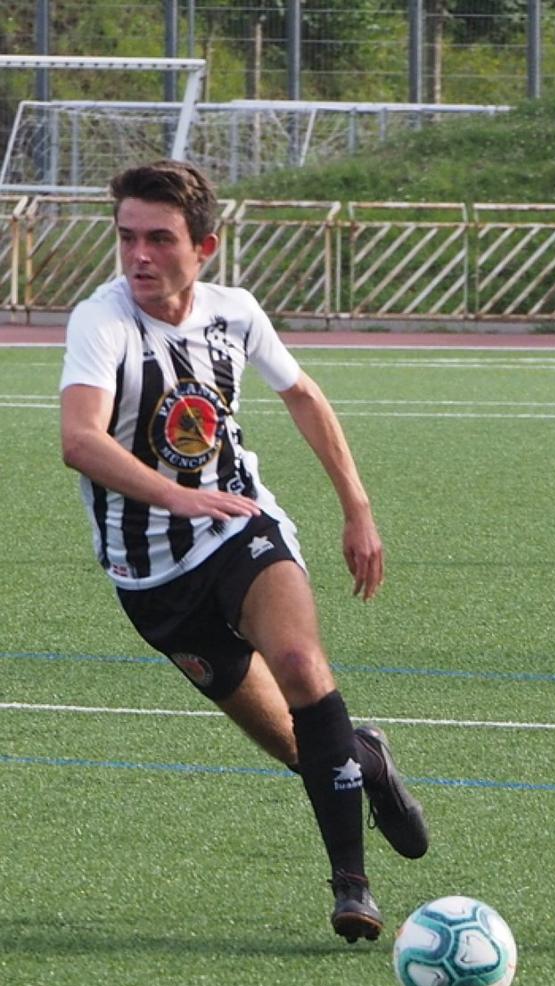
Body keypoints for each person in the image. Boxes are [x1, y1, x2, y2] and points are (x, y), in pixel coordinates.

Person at [59, 159, 429, 944]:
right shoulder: (103, 321)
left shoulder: (236, 313)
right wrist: (175, 495)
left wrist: (356, 507)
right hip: (151, 575)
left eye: (160, 239)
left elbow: (301, 394)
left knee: (300, 667)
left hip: (239, 528)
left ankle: (352, 888)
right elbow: (79, 440)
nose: (139, 257)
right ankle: (366, 759)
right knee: (304, 748)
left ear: (206, 246)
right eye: (126, 237)